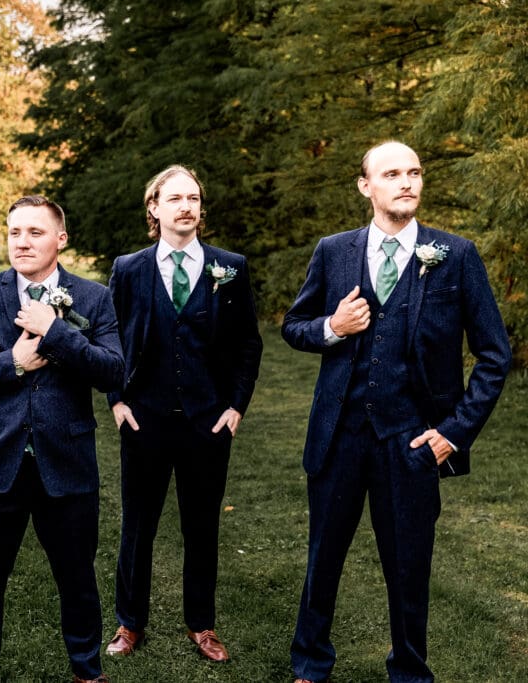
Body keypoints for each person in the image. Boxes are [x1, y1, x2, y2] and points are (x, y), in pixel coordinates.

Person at [283, 141, 511, 683]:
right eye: (391, 174)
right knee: (322, 561)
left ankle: (409, 672)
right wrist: (332, 327)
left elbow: (494, 356)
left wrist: (453, 433)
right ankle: (310, 665)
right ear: (366, 186)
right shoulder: (334, 251)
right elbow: (294, 326)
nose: (406, 182)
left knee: (409, 569)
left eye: (414, 172)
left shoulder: (456, 254)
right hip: (338, 437)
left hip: (412, 442)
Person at [0, 195, 124, 683]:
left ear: (61, 239)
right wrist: (14, 363)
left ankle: (87, 670)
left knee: (77, 577)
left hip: (66, 462)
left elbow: (113, 372)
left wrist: (56, 333)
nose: (22, 242)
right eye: (15, 232)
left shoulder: (93, 297)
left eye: (35, 232)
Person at [103, 165, 263, 662]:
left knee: (202, 526)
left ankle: (202, 625)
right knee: (138, 527)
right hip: (144, 419)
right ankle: (129, 623)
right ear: (154, 207)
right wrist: (117, 401)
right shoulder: (129, 268)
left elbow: (248, 344)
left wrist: (235, 407)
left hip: (207, 421)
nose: (186, 206)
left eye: (193, 198)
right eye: (174, 198)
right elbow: (109, 338)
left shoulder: (229, 267)